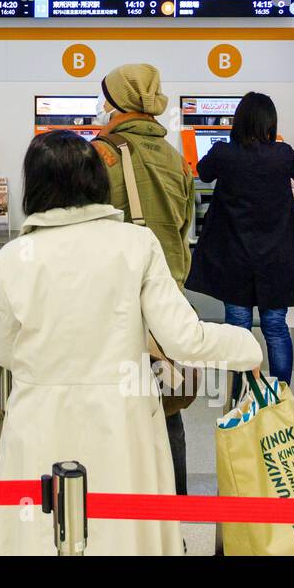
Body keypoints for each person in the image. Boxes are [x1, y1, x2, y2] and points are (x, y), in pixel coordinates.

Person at [0, 131, 261, 556]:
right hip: (122, 418)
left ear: (34, 185)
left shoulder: (13, 258)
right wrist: (246, 345)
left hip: (37, 419)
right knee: (122, 533)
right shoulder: (136, 244)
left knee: (39, 534)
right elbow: (184, 340)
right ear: (98, 181)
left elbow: (4, 352)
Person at [94, 62, 195, 496]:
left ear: (116, 102)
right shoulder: (176, 158)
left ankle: (107, 512)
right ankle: (173, 515)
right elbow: (184, 226)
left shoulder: (100, 155)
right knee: (166, 407)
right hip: (168, 303)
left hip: (112, 306)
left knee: (108, 407)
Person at [185, 92, 294, 391]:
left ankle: (239, 395)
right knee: (276, 328)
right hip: (276, 258)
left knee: (237, 329)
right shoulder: (283, 154)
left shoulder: (224, 153)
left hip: (235, 256)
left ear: (238, 122)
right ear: (270, 123)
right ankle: (280, 396)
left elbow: (203, 172)